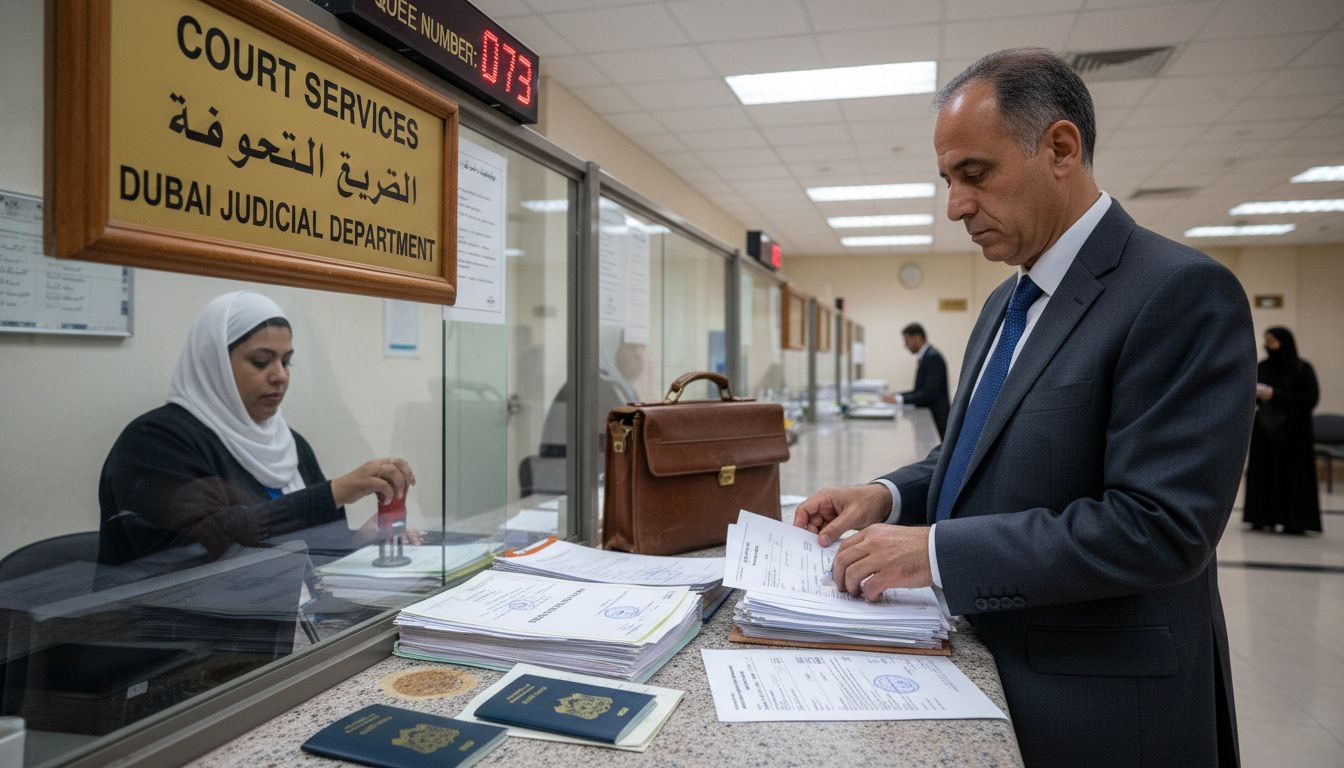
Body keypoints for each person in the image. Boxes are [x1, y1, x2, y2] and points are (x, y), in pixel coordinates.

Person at [794, 49, 1254, 767]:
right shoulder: (1003, 304)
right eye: (947, 180)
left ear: (1060, 148)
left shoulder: (1178, 292)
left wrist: (937, 552)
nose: (956, 206)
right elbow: (972, 454)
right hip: (984, 664)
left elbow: (1161, 527)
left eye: (974, 174)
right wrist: (886, 496)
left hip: (1100, 706)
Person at [99, 291, 419, 566]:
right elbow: (209, 547)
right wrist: (336, 491)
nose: (280, 376)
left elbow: (310, 550)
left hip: (284, 625)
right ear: (215, 364)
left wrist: (358, 541)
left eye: (286, 361)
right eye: (261, 361)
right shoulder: (155, 441)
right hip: (177, 633)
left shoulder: (290, 444)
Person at [1244, 326, 1321, 534]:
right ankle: (1261, 517)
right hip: (1266, 429)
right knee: (1264, 473)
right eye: (1267, 341)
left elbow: (1310, 399)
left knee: (1293, 477)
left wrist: (1276, 395)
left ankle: (1294, 521)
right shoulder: (1262, 367)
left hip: (1294, 433)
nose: (1268, 345)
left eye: (1273, 341)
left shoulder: (1302, 369)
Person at [880, 322, 950, 437]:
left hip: (937, 418)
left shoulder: (932, 357)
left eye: (907, 341)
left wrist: (898, 399)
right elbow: (918, 390)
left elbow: (929, 393)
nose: (905, 345)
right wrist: (896, 395)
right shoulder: (926, 356)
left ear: (917, 338)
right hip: (931, 415)